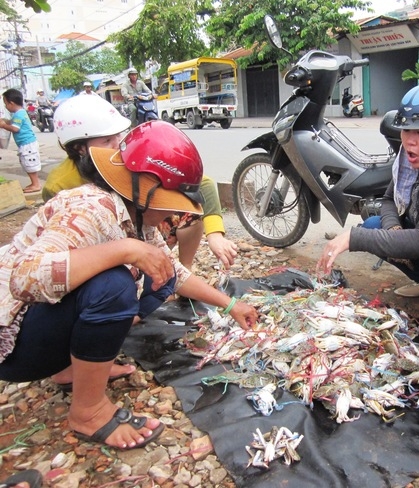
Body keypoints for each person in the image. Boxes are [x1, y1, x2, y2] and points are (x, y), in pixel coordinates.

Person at [0, 120, 258, 450]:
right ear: (145, 185)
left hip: (42, 329)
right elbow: (26, 279)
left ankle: (69, 368)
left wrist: (232, 305)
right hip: (14, 348)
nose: (175, 209)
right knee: (115, 285)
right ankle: (88, 412)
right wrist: (124, 250)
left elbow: (176, 273)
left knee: (159, 273)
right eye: (171, 197)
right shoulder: (90, 208)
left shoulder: (136, 214)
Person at [317, 84, 419, 297]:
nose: (409, 141)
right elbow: (389, 200)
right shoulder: (411, 158)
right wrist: (394, 229)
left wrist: (353, 238)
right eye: (406, 130)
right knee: (373, 225)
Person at [45, 95, 238, 271]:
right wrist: (125, 250)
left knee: (189, 212)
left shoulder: (128, 157)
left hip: (142, 229)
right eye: (107, 140)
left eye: (118, 136)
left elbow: (202, 184)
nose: (117, 144)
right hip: (97, 250)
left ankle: (181, 269)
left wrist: (215, 235)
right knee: (116, 281)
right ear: (80, 148)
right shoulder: (60, 185)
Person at [0, 88, 42, 193]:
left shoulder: (18, 115)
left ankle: (36, 184)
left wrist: (4, 125)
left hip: (27, 144)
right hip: (26, 143)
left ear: (11, 103)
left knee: (29, 163)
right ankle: (34, 183)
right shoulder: (20, 113)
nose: (5, 106)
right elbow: (14, 123)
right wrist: (7, 121)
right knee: (27, 163)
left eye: (5, 103)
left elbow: (15, 128)